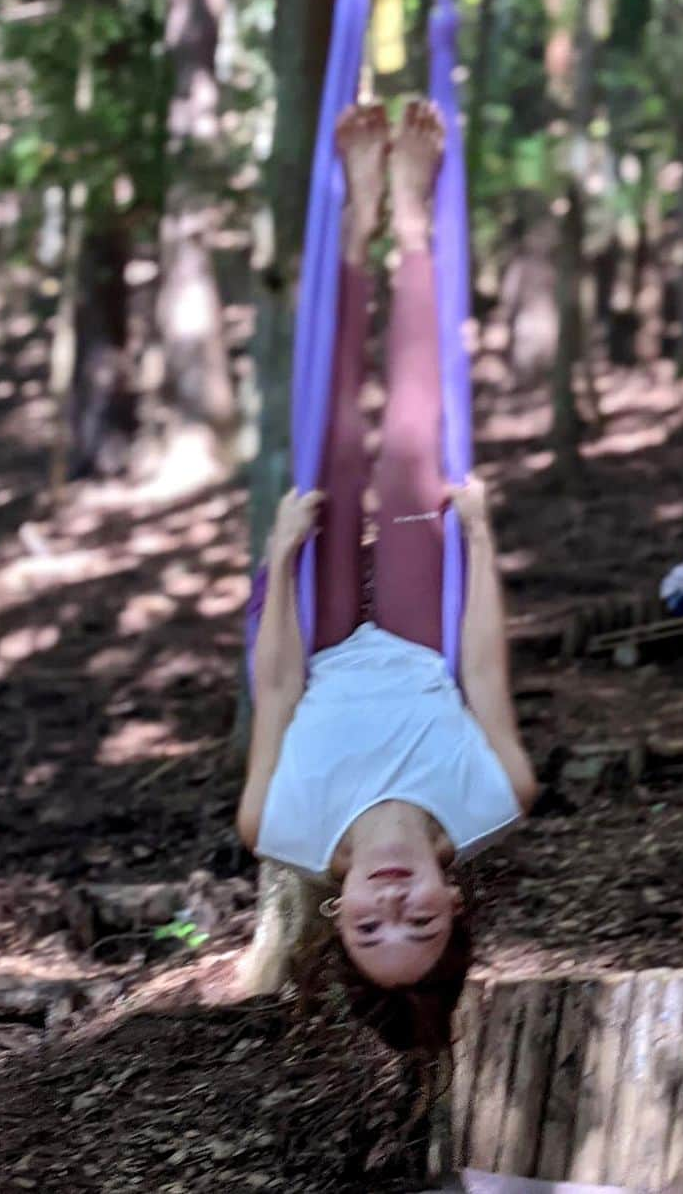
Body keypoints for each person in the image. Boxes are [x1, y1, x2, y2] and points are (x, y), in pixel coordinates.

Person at [236, 99, 536, 1050]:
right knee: (412, 432)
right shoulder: (495, 796)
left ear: (337, 913)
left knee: (329, 437)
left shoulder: (276, 824)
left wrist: (282, 558)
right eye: (423, 923)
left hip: (308, 632)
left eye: (370, 928)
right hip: (416, 634)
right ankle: (410, 215)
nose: (394, 905)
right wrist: (481, 543)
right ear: (456, 897)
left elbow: (277, 687)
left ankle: (355, 219)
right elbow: (484, 672)